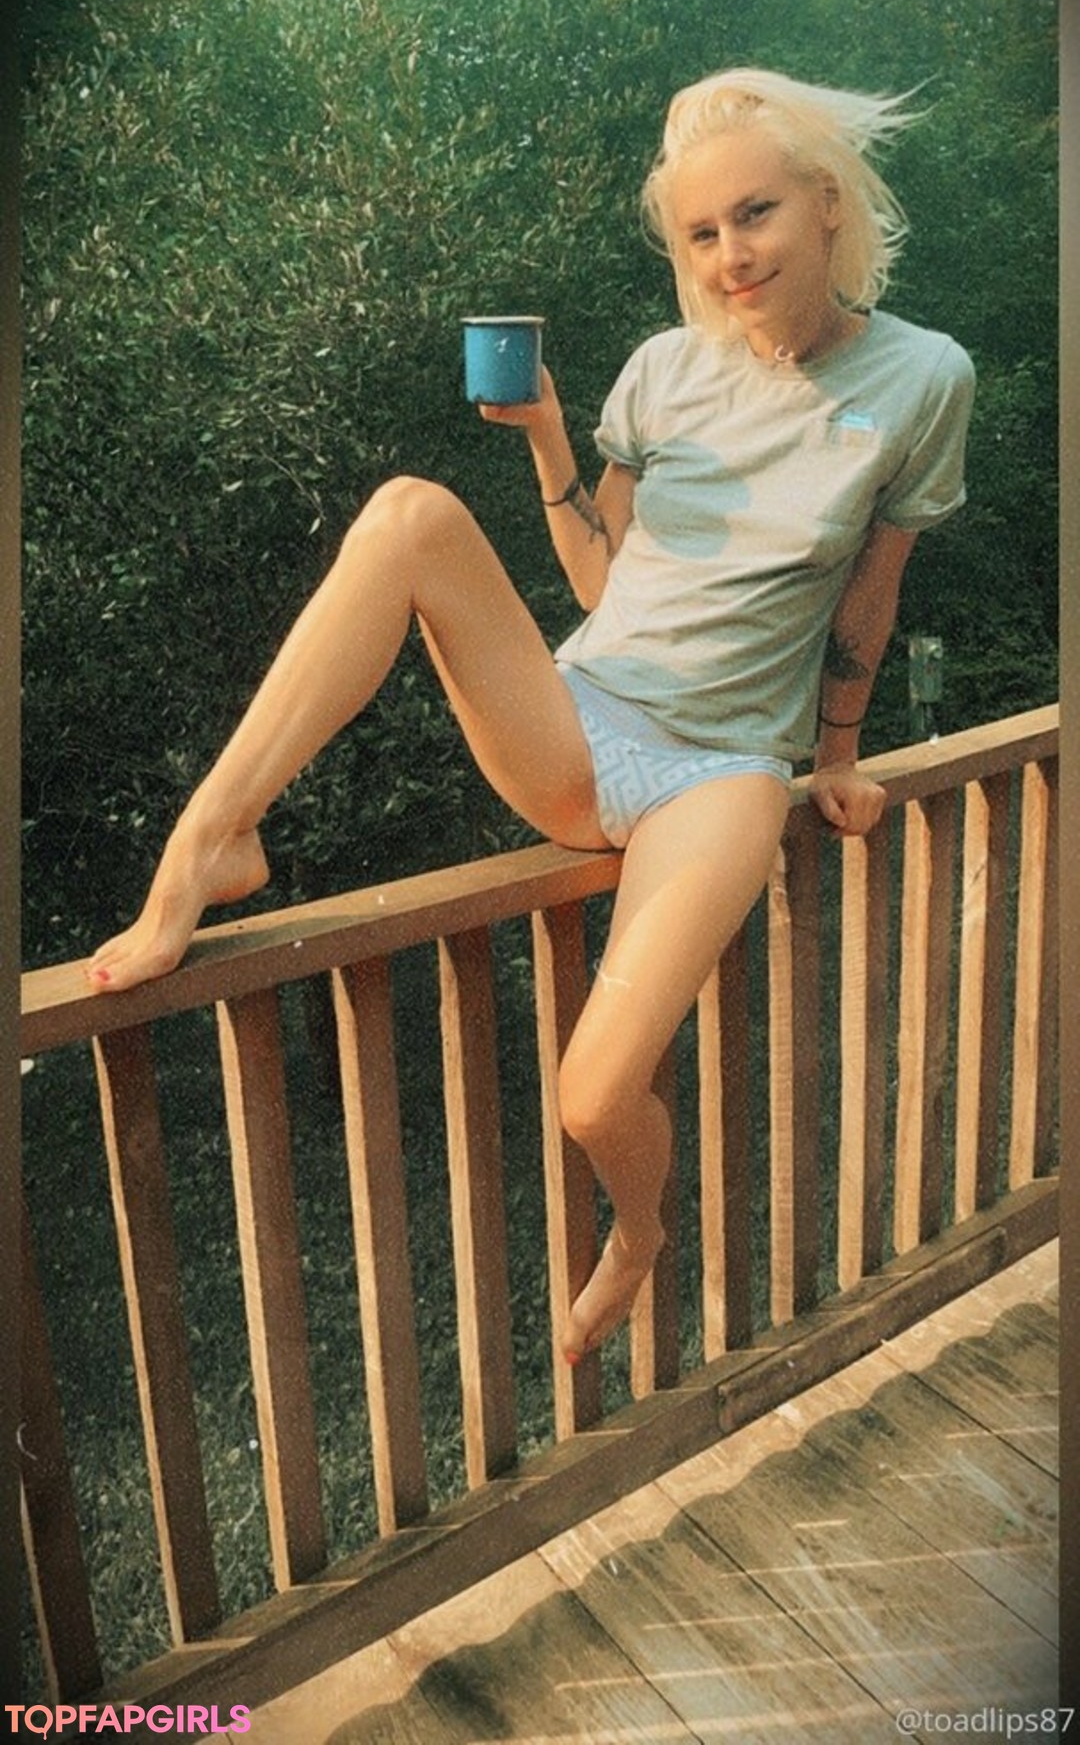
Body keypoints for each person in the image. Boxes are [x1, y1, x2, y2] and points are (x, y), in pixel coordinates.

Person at [86, 68, 975, 1364]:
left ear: (827, 203)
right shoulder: (664, 371)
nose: (731, 255)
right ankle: (207, 844)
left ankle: (640, 1231)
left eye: (756, 214)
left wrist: (836, 758)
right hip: (583, 718)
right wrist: (553, 439)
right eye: (702, 233)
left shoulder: (925, 376)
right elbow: (605, 584)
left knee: (596, 1094)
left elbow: (870, 598)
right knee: (408, 514)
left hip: (723, 770)